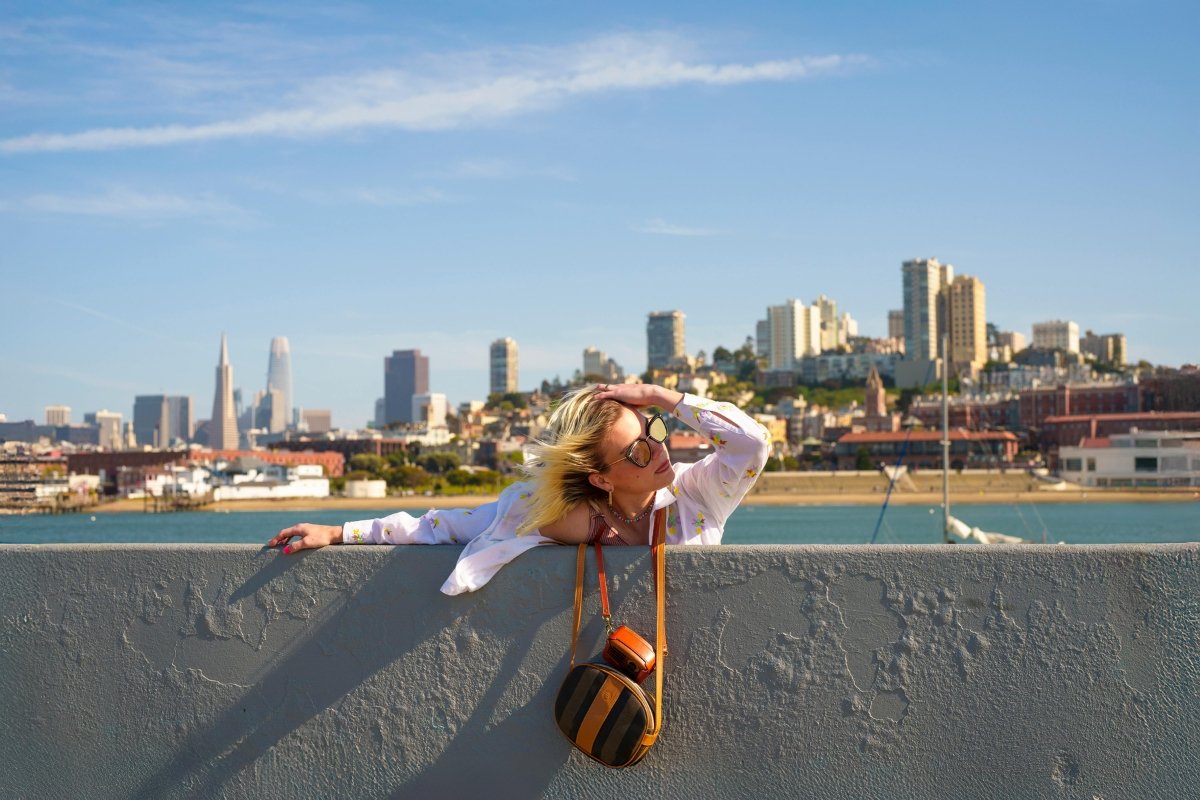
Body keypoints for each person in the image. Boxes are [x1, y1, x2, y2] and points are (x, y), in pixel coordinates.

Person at [267, 383, 769, 595]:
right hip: (601, 678)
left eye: (655, 429)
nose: (660, 450)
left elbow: (752, 443)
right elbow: (440, 526)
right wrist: (338, 534)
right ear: (598, 477)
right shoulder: (551, 514)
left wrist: (665, 397)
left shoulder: (697, 497)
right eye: (637, 449)